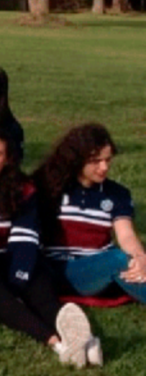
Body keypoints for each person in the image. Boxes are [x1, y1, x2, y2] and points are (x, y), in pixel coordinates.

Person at [0, 132, 100, 367]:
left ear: (8, 159)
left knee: (41, 293)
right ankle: (57, 343)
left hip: (13, 257)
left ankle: (88, 341)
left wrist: (19, 276)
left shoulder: (23, 190)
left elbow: (25, 238)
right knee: (4, 300)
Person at [35, 124, 146, 306]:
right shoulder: (49, 187)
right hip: (61, 270)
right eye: (96, 161)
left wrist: (140, 258)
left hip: (101, 264)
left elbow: (126, 235)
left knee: (127, 261)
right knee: (118, 259)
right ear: (76, 159)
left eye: (108, 160)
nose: (104, 167)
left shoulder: (116, 193)